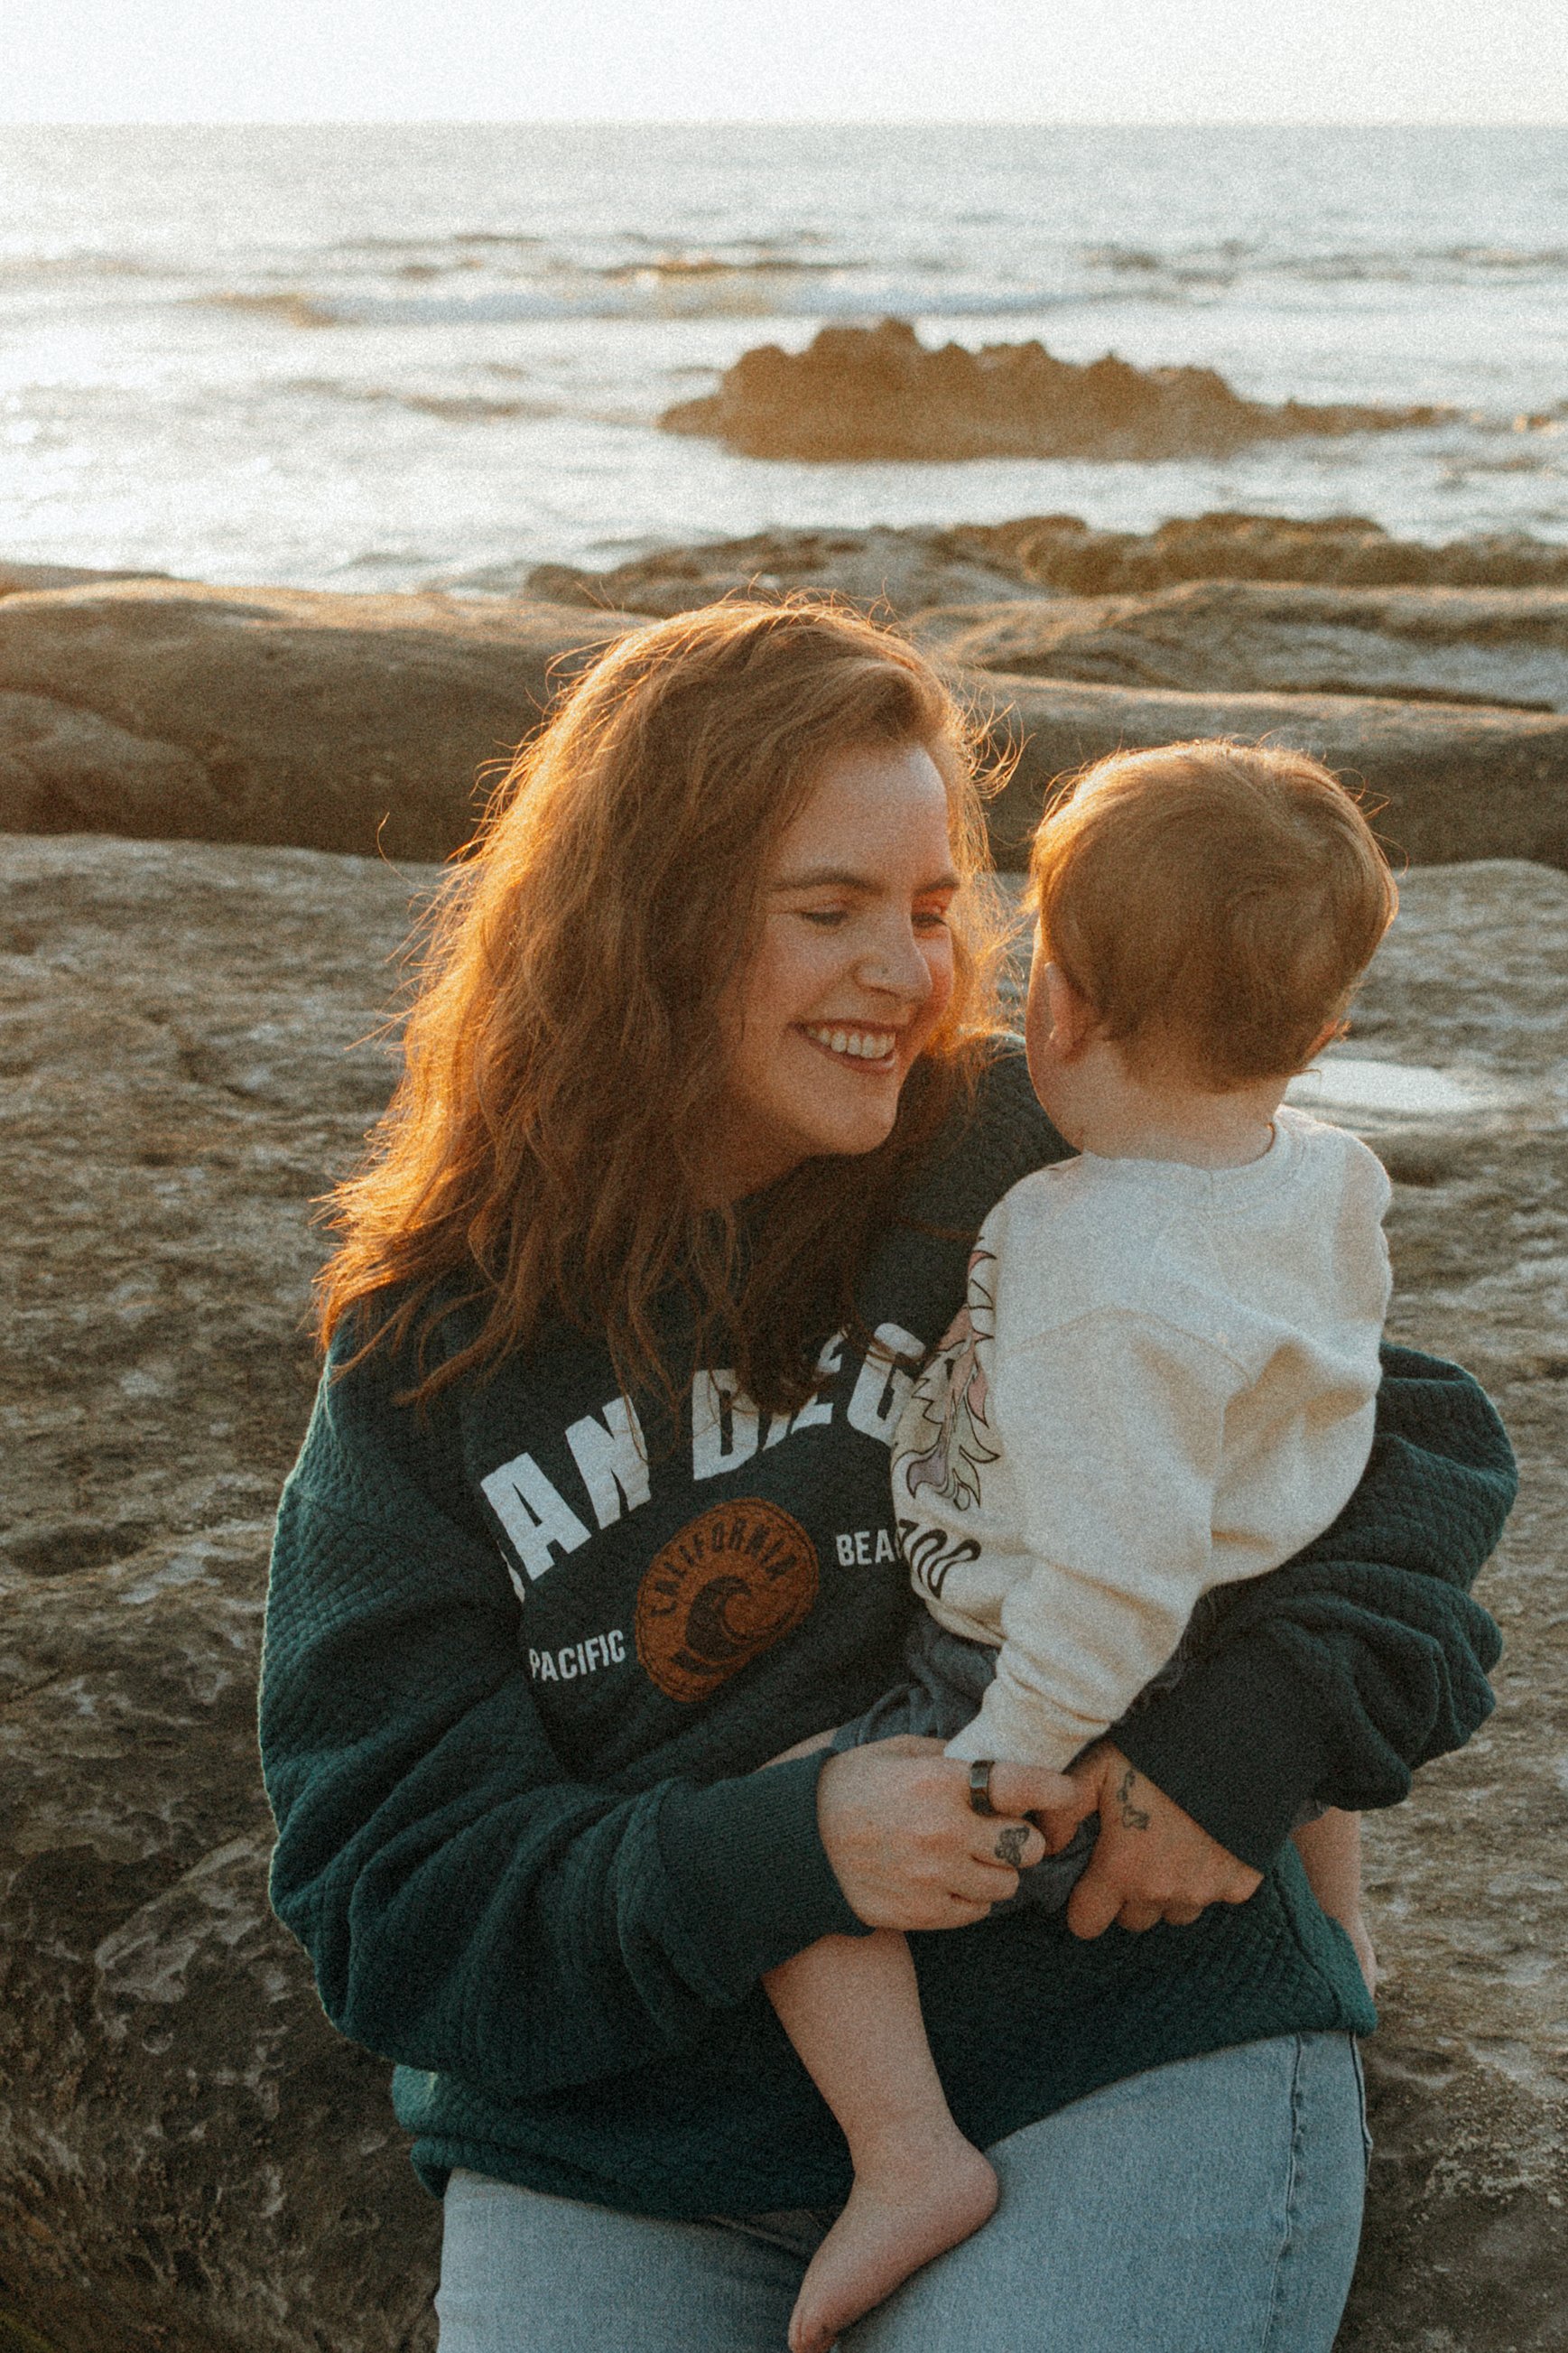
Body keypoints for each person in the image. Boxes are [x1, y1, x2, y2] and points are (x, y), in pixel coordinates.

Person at [258, 601, 1514, 2353]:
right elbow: (391, 1897)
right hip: (628, 2145)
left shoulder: (1024, 1146)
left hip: (1104, 2050)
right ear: (645, 923)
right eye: (828, 909)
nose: (912, 976)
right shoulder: (436, 1344)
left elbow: (1405, 1444)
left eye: (931, 911)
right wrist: (790, 1847)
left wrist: (1236, 1750)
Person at [759, 743, 1397, 2353]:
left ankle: (905, 2154)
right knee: (1278, 1677)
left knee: (788, 1829)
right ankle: (1336, 1926)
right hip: (1250, 1597)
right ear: (1318, 1029)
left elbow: (1110, 1580)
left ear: (1058, 1005)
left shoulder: (1088, 1255)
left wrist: (1008, 1751)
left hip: (1040, 1656)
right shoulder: (1328, 1168)